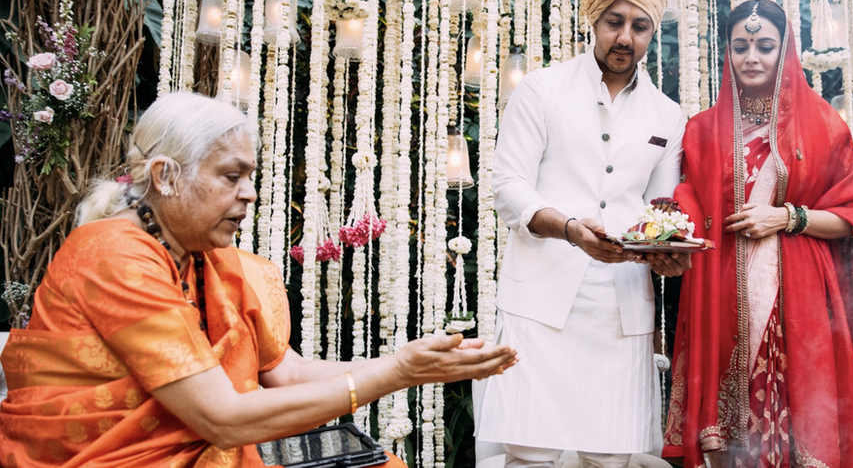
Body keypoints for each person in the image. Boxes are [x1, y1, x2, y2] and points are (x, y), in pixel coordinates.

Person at [0, 92, 517, 467]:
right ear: (165, 177)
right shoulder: (114, 255)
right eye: (231, 176)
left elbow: (285, 374)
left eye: (251, 177)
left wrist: (413, 363)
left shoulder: (214, 262)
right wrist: (399, 374)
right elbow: (222, 419)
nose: (249, 193)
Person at [477, 0, 690, 468]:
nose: (625, 37)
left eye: (640, 26)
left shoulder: (668, 115)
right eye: (614, 22)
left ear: (650, 33)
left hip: (621, 302)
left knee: (610, 456)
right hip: (540, 296)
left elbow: (660, 211)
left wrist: (668, 253)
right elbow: (508, 186)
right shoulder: (541, 90)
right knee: (529, 451)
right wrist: (571, 229)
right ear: (594, 21)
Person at [661, 0, 853, 468]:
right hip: (721, 298)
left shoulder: (824, 127)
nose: (752, 57)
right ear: (727, 53)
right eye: (741, 46)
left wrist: (786, 217)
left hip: (803, 307)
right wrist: (668, 224)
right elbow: (688, 205)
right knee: (729, 446)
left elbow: (849, 216)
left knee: (803, 432)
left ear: (785, 51)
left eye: (765, 46)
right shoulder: (701, 130)